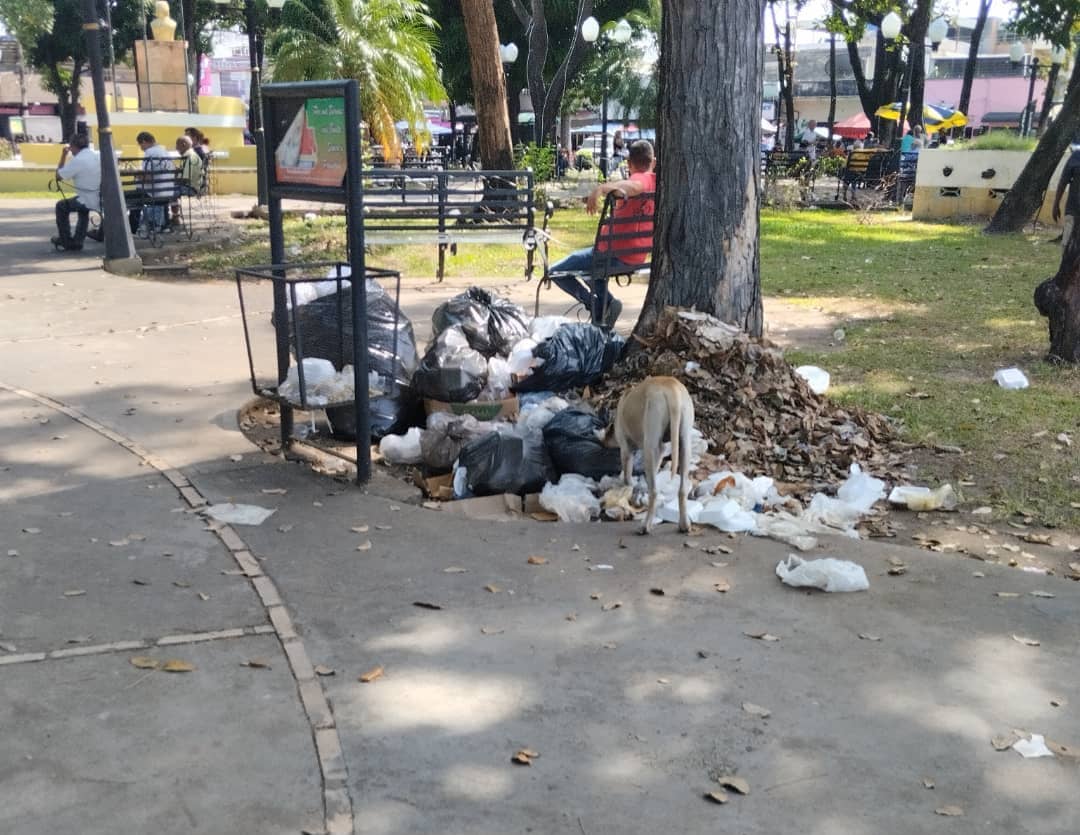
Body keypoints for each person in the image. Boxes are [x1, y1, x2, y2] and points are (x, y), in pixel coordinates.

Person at [548, 139, 656, 328]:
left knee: (555, 271)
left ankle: (598, 304)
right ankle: (605, 303)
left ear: (629, 164)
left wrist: (601, 189)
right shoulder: (656, 182)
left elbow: (634, 186)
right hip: (630, 254)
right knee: (589, 270)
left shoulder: (641, 180)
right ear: (652, 161)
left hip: (613, 254)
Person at [52, 131, 101, 251]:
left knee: (61, 206)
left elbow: (58, 176)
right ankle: (77, 241)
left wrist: (63, 155)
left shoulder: (78, 160)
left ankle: (66, 240)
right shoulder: (96, 155)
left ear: (73, 146)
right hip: (100, 197)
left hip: (88, 199)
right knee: (82, 209)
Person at [128, 131, 172, 234]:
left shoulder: (150, 153)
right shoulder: (164, 151)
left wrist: (136, 174)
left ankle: (132, 228)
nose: (140, 147)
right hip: (168, 192)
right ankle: (164, 224)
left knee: (130, 197)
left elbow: (148, 178)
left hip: (155, 193)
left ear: (144, 141)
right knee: (137, 193)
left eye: (140, 144)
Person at [1052, 145, 1080, 245]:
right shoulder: (1076, 156)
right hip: (1073, 211)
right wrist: (1055, 204)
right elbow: (1063, 181)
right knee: (1067, 245)